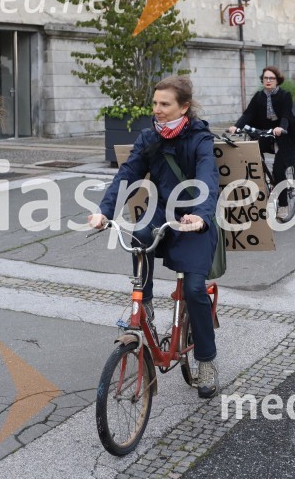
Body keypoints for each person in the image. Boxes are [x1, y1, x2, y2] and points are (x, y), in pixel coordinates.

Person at [88, 76, 220, 399]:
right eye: (155, 103)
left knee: (193, 288)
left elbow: (207, 176)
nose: (157, 110)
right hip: (163, 213)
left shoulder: (200, 138)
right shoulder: (149, 138)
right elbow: (126, 175)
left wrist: (201, 216)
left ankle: (206, 360)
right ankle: (143, 303)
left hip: (194, 220)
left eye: (165, 104)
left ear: (183, 107)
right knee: (140, 233)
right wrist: (104, 211)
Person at [228, 66, 295, 222]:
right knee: (253, 161)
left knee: (279, 170)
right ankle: (261, 195)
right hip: (265, 134)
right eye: (265, 78)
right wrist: (237, 126)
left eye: (271, 78)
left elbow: (286, 115)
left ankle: (283, 205)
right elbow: (248, 113)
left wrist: (282, 128)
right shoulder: (259, 96)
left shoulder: (284, 95)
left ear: (277, 80)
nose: (268, 81)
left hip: (284, 135)